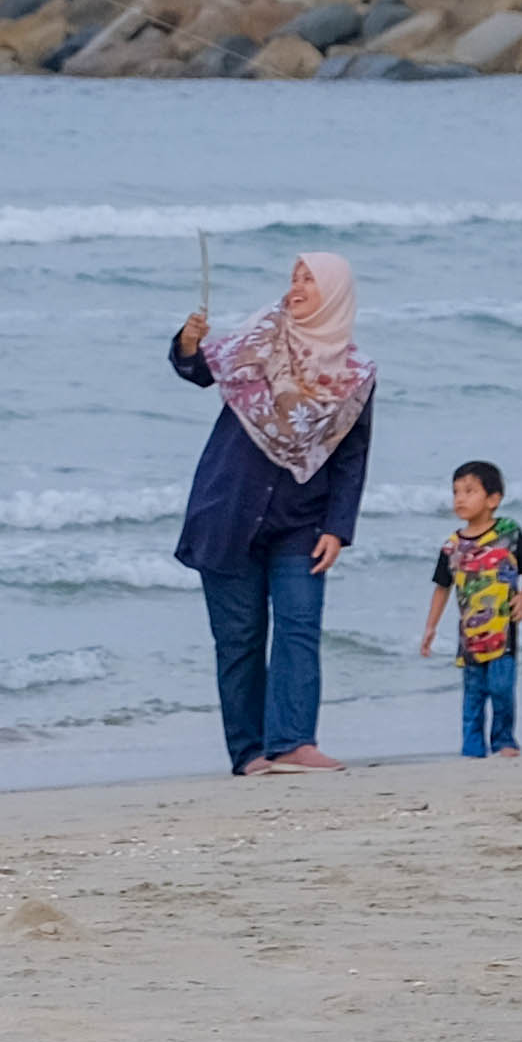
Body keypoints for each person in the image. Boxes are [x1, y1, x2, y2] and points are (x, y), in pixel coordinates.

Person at [170, 252, 377, 773]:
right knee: (239, 638)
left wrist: (339, 527)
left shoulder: (354, 375)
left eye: (310, 278)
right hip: (229, 510)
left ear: (334, 293)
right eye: (295, 277)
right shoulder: (258, 337)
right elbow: (199, 370)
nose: (298, 285)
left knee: (299, 627)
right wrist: (188, 343)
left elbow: (352, 457)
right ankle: (249, 752)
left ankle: (293, 743)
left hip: (303, 519)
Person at [417, 459, 522, 758]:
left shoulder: (508, 532)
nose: (460, 498)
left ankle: (504, 741)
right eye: (456, 491)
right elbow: (442, 587)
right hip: (469, 634)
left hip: (503, 631)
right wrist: (430, 627)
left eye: (469, 491)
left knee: (501, 689)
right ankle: (472, 747)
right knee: (473, 694)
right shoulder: (452, 546)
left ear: (493, 499)